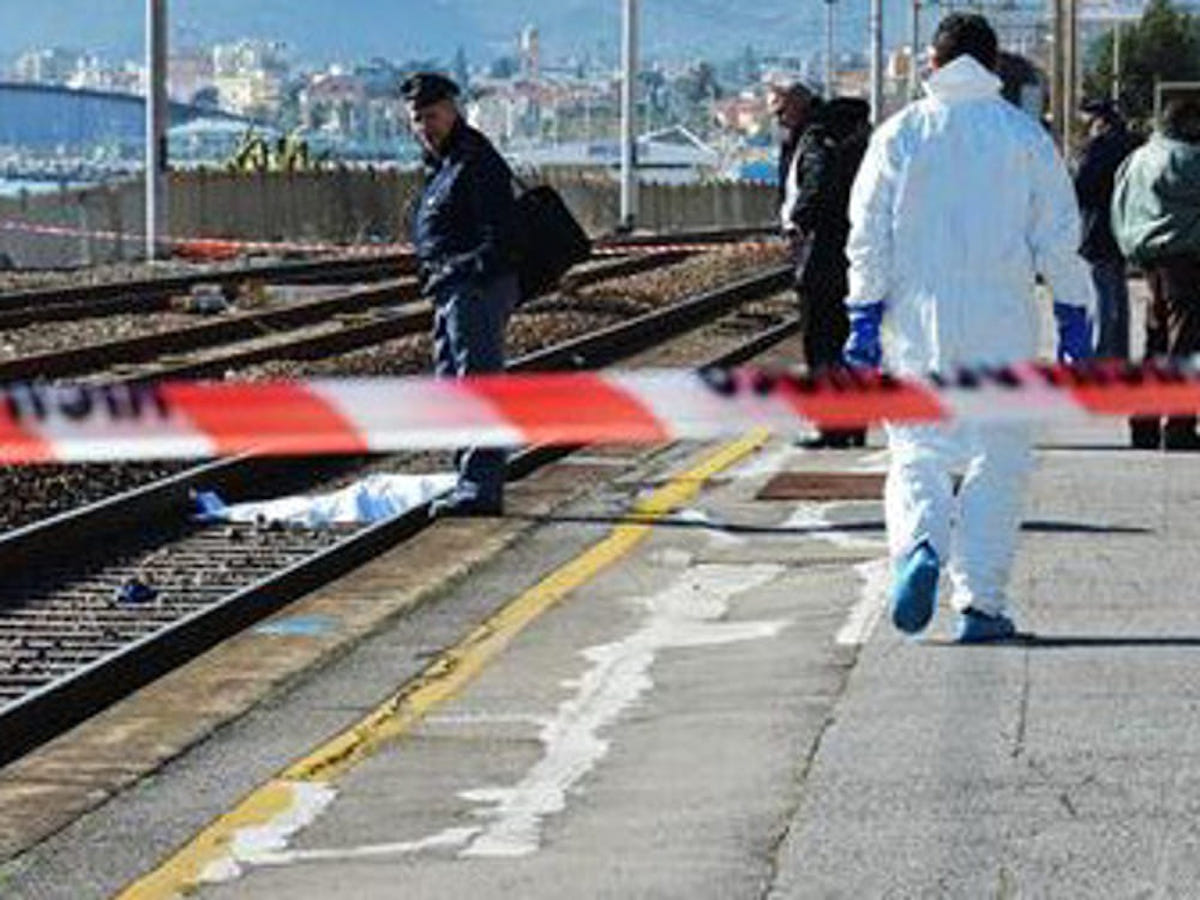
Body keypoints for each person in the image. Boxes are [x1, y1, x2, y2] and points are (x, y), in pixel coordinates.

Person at [842, 13, 1095, 642]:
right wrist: (1073, 317)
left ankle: (920, 547)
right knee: (997, 459)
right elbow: (1060, 238)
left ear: (933, 64)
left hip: (914, 324)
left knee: (917, 452)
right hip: (1002, 322)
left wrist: (863, 316)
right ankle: (980, 603)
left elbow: (867, 233)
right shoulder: (1024, 138)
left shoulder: (898, 135)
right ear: (994, 66)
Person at [405, 72, 520, 516]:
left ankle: (480, 488)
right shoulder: (443, 162)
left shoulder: (476, 162)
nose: (424, 127)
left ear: (453, 111)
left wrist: (462, 272)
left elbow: (502, 236)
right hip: (451, 288)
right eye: (417, 120)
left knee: (478, 384)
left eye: (431, 116)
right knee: (454, 386)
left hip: (474, 288)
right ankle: (467, 479)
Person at [770, 83, 866, 448]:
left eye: (780, 110)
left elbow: (816, 184)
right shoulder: (838, 135)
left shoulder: (813, 140)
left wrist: (798, 222)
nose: (776, 118)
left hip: (820, 255)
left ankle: (830, 426)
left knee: (820, 342)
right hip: (845, 253)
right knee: (842, 340)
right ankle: (852, 423)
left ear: (799, 105)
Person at [1112, 96, 1200, 451]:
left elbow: (1118, 204)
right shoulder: (1188, 160)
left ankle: (1143, 423)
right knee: (1185, 344)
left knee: (1156, 343)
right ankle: (1179, 426)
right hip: (1187, 261)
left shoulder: (1138, 158)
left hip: (1150, 260)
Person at [1074, 98, 1138, 364]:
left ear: (1099, 121)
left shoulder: (1099, 148)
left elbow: (1081, 188)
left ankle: (1103, 355)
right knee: (1119, 294)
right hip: (1128, 228)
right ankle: (1120, 352)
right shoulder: (1135, 143)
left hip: (1099, 228)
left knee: (1101, 296)